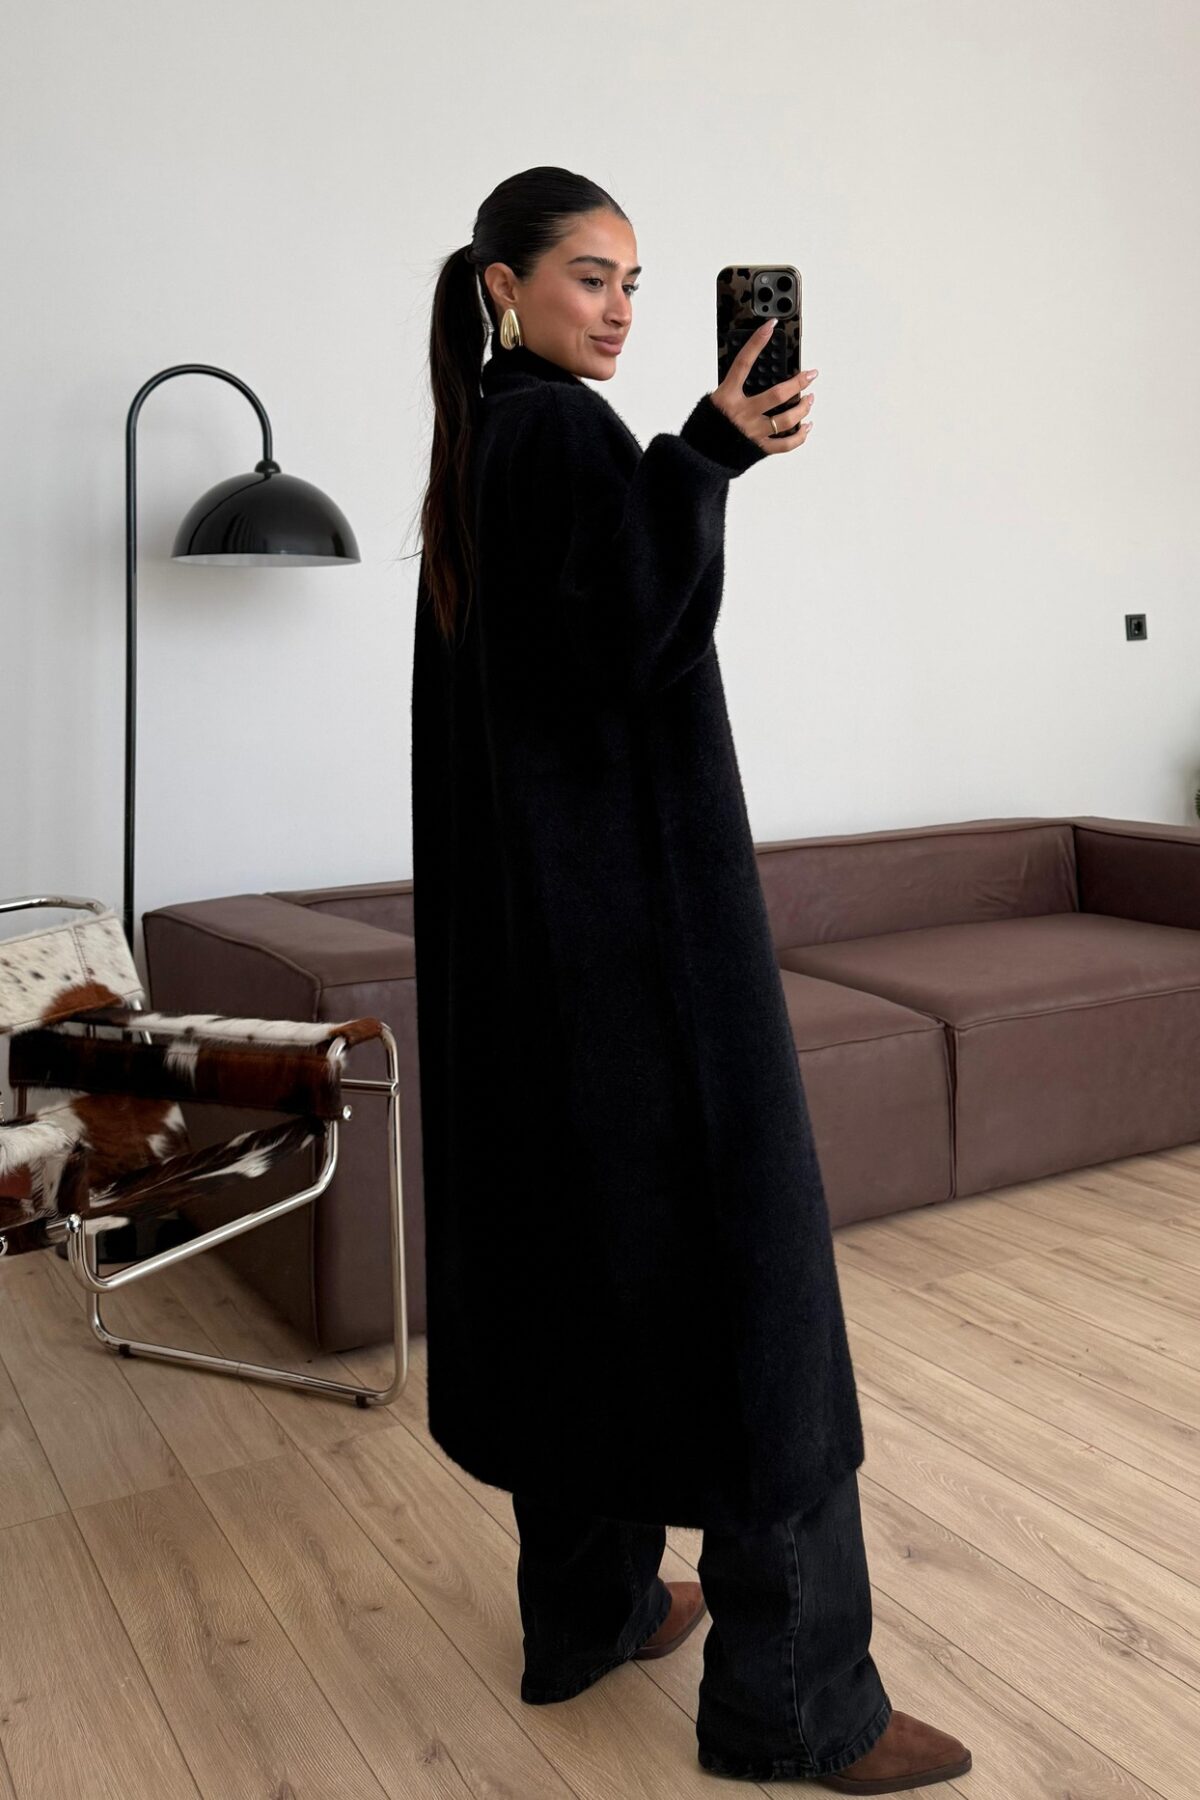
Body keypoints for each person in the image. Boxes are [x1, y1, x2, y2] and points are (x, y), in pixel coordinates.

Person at [410, 165, 972, 1791]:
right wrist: (710, 452)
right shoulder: (558, 437)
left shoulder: (484, 445)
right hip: (646, 974)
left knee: (583, 1281)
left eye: (636, 283)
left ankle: (588, 1614)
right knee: (758, 1309)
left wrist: (693, 457)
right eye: (590, 277)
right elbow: (626, 641)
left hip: (553, 978)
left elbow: (560, 674)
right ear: (505, 286)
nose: (621, 310)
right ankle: (796, 1702)